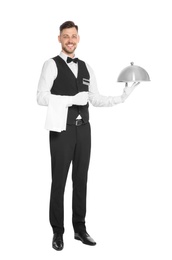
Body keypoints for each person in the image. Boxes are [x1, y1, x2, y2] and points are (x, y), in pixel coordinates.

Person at [37, 21, 139, 251]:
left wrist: (122, 96)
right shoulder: (50, 65)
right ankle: (57, 232)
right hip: (61, 130)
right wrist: (70, 100)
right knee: (59, 182)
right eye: (66, 36)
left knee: (81, 180)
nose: (70, 40)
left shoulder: (86, 67)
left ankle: (80, 229)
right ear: (59, 39)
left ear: (78, 39)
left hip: (84, 130)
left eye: (73, 36)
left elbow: (95, 98)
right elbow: (41, 97)